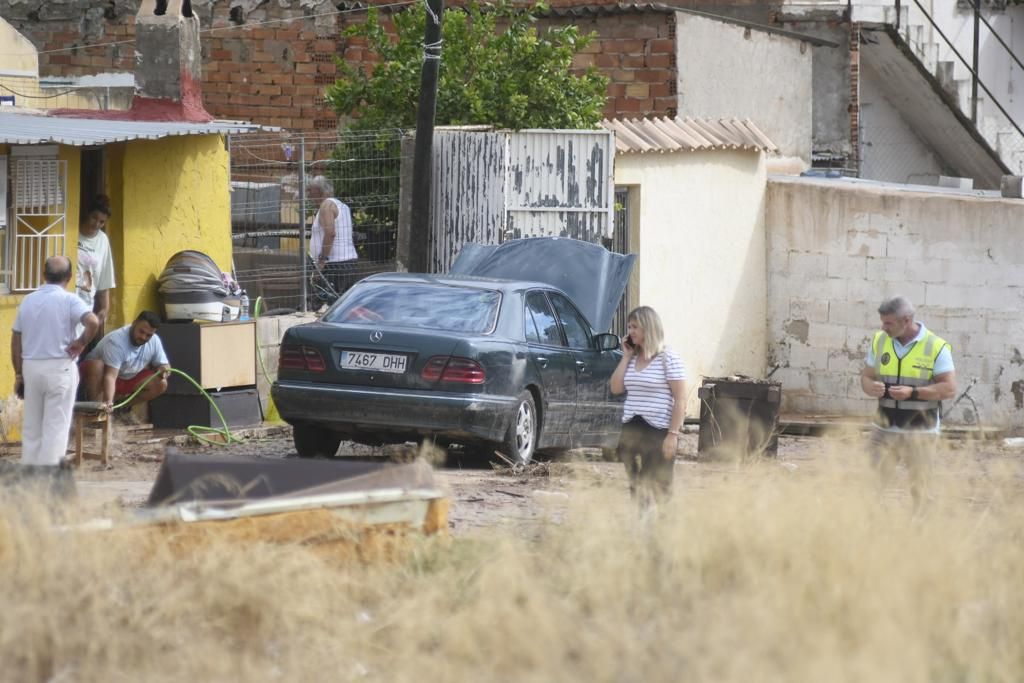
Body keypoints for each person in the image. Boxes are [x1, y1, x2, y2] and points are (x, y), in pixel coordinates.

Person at [860, 296, 957, 512]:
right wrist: (870, 386)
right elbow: (866, 377)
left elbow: (949, 389)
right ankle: (868, 532)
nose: (883, 327)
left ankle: (921, 534)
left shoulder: (936, 346)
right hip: (883, 429)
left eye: (888, 323)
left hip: (920, 431)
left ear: (906, 320)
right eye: (882, 322)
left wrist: (912, 393)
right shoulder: (879, 341)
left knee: (920, 490)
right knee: (871, 484)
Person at [11, 255, 100, 466]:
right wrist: (81, 343)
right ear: (69, 277)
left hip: (32, 368)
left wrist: (18, 374)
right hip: (60, 368)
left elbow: (16, 340)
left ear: (44, 275)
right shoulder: (70, 300)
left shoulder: (28, 300)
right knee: (56, 428)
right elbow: (93, 322)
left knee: (32, 428)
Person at [610, 306, 688, 510]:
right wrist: (625, 357)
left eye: (635, 326)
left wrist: (673, 435)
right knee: (635, 483)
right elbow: (616, 388)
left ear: (649, 327)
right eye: (629, 327)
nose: (630, 332)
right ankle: (641, 529)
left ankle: (666, 531)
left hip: (658, 431)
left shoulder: (668, 357)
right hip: (631, 428)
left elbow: (680, 399)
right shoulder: (633, 357)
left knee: (660, 486)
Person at [80, 311, 171, 414]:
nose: (143, 337)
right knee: (96, 366)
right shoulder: (117, 341)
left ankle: (122, 408)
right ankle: (95, 410)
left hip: (126, 378)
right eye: (141, 332)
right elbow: (110, 377)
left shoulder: (154, 340)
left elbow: (164, 365)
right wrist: (108, 401)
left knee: (161, 383)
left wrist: (164, 370)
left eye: (148, 335)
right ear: (134, 323)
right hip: (102, 377)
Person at [307, 175, 358, 301]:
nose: (308, 194)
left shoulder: (327, 206)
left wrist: (322, 261)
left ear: (319, 190)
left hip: (334, 265)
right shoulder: (343, 206)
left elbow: (330, 233)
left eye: (310, 190)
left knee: (325, 303)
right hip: (347, 262)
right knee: (342, 304)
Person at [76, 194, 116, 348]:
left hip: (85, 302)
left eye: (102, 222)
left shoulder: (102, 240)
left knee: (76, 347)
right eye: (94, 218)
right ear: (87, 213)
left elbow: (105, 276)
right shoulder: (73, 231)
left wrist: (105, 308)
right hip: (67, 298)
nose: (97, 224)